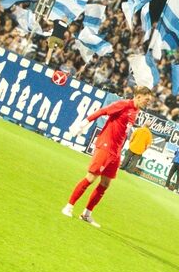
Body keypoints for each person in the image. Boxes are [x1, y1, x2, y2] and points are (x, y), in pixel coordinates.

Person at [62, 87, 155, 227]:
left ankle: (86, 214)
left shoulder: (136, 111)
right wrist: (83, 124)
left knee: (105, 184)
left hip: (116, 151)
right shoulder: (123, 104)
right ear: (138, 96)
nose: (148, 103)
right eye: (147, 99)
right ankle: (68, 207)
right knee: (91, 178)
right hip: (106, 146)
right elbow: (102, 111)